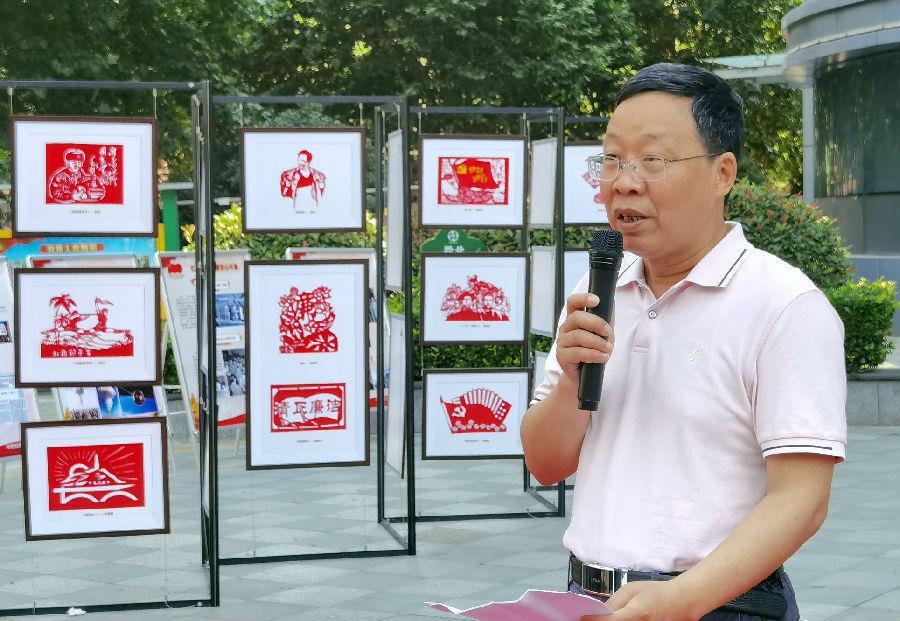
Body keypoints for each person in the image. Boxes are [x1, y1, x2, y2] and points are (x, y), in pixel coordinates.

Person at [521, 63, 846, 621]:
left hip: (720, 605)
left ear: (723, 173)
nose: (624, 182)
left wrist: (682, 599)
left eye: (653, 159)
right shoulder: (595, 290)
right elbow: (545, 464)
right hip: (587, 596)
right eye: (612, 158)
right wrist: (572, 382)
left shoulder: (784, 305)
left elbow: (802, 499)